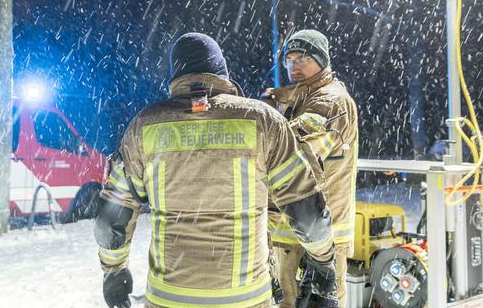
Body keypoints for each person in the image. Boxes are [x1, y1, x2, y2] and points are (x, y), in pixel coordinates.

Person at [94, 32, 338, 308]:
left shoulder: (145, 126)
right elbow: (307, 211)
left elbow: (110, 217)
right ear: (221, 71)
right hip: (246, 299)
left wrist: (113, 271)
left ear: (176, 73)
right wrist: (323, 261)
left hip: (169, 299)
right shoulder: (263, 121)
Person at [263, 29, 359, 308]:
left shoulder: (331, 101)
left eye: (303, 58)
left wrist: (261, 127)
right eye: (289, 60)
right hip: (293, 230)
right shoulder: (299, 99)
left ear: (322, 60)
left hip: (320, 236)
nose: (294, 66)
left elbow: (295, 154)